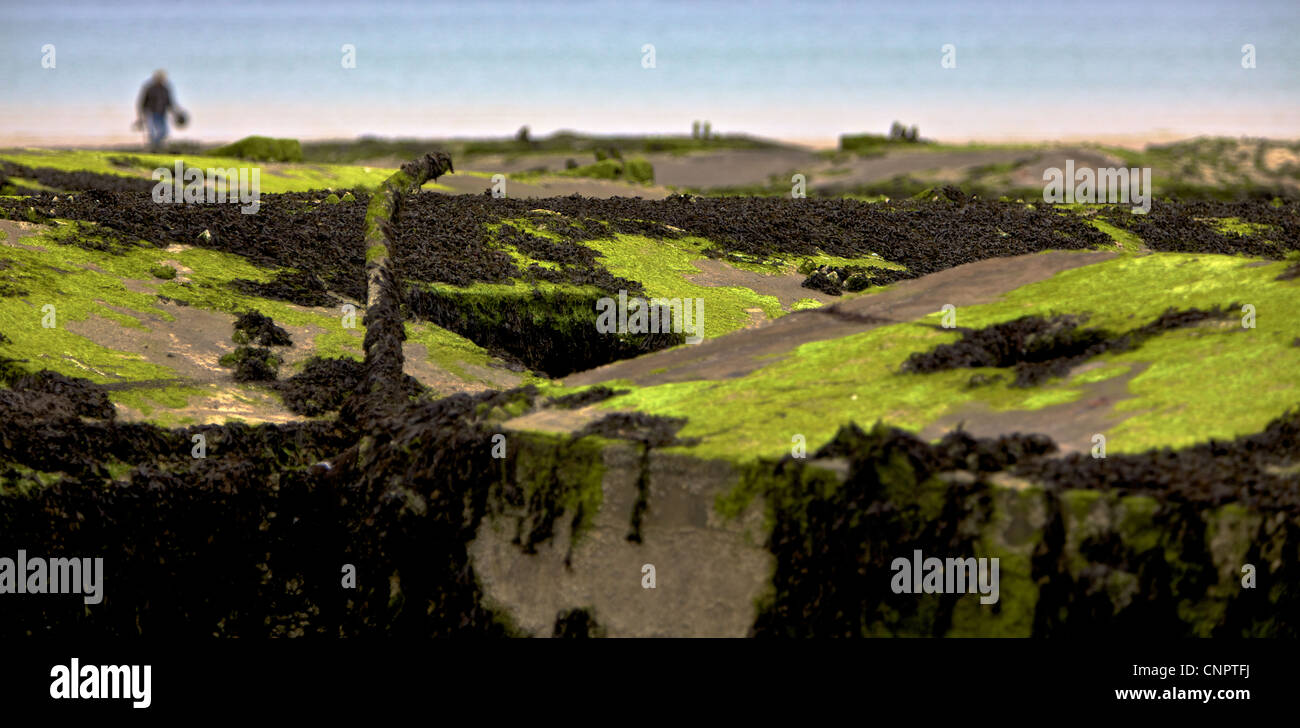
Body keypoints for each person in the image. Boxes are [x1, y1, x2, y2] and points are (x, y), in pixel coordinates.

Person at [133, 70, 184, 151]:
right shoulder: (149, 88)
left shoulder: (166, 89)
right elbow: (142, 102)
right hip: (151, 113)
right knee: (152, 133)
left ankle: (155, 145)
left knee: (164, 132)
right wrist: (140, 116)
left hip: (162, 114)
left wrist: (176, 112)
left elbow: (170, 102)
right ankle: (153, 147)